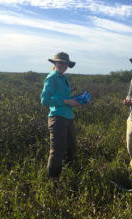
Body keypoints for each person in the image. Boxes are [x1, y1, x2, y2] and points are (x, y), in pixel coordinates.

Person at [41, 52, 80, 181]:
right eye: (60, 62)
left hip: (68, 117)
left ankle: (68, 175)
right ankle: (54, 180)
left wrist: (75, 100)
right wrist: (66, 102)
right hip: (57, 118)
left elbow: (64, 98)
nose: (63, 65)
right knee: (57, 151)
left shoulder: (63, 78)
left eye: (65, 63)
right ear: (55, 63)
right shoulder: (52, 77)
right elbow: (44, 100)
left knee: (71, 148)